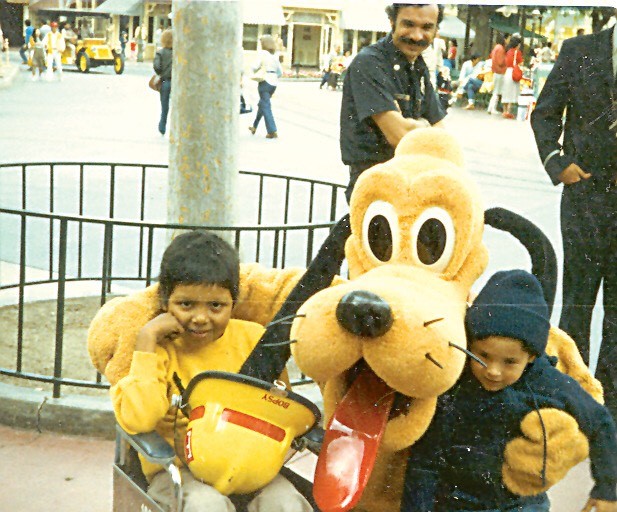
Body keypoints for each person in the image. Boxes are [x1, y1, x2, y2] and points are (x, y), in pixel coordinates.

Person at [111, 230, 312, 512]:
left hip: (249, 467)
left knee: (285, 503)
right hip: (181, 471)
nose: (200, 318)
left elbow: (279, 411)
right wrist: (146, 340)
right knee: (207, 505)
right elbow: (140, 419)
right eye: (186, 304)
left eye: (216, 306)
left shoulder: (254, 340)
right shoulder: (157, 350)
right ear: (165, 302)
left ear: (233, 303)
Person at [401, 270, 617, 512]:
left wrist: (608, 489)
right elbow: (425, 463)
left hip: (521, 505)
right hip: (456, 502)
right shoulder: (455, 382)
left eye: (510, 362)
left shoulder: (548, 382)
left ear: (531, 357)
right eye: (483, 356)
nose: (493, 371)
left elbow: (599, 421)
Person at [530, 23, 617, 420]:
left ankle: (609, 407)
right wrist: (557, 162)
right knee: (578, 300)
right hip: (586, 195)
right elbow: (545, 113)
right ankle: (569, 396)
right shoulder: (579, 49)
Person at [340, 3, 446, 203]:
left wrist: (416, 127)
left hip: (413, 186)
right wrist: (425, 126)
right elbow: (400, 136)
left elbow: (442, 135)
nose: (417, 36)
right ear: (392, 22)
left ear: (435, 30)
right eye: (408, 24)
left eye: (426, 27)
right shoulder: (369, 63)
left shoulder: (418, 65)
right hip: (375, 190)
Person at [248, 34, 282, 139]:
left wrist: (253, 73)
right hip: (273, 84)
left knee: (266, 106)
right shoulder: (274, 56)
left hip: (265, 82)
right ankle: (254, 126)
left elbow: (254, 66)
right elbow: (280, 72)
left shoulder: (262, 54)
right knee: (263, 104)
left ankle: (272, 131)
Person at [153, 29, 172, 135]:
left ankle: (162, 126)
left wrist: (161, 72)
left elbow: (157, 67)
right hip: (176, 82)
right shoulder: (178, 53)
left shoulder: (160, 53)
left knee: (164, 106)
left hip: (165, 81)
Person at [501, 34, 523, 119]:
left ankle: (504, 111)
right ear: (517, 44)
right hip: (514, 73)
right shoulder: (517, 52)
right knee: (512, 92)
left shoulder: (508, 51)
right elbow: (521, 63)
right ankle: (509, 111)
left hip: (507, 72)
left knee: (506, 91)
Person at [487, 33, 509, 115]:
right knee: (497, 92)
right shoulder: (501, 49)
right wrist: (506, 60)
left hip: (496, 71)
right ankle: (493, 108)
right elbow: (500, 62)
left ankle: (490, 107)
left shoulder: (496, 47)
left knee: (495, 91)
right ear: (504, 39)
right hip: (500, 72)